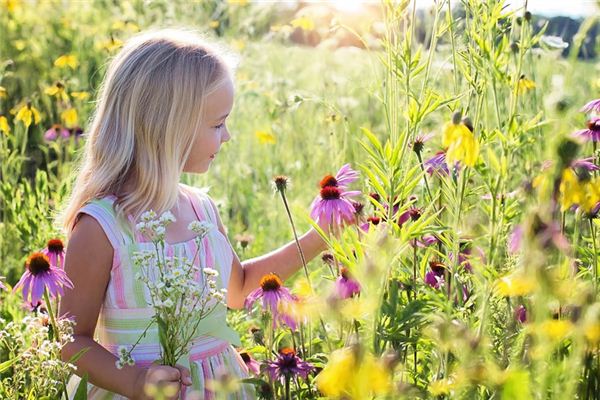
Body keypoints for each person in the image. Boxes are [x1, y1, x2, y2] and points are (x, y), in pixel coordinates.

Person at [58, 28, 328, 400]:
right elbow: (70, 342)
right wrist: (134, 382)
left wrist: (319, 237)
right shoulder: (102, 227)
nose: (228, 136)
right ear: (168, 127)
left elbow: (238, 289)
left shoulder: (201, 209)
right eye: (217, 124)